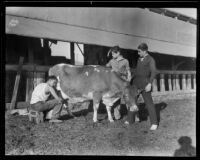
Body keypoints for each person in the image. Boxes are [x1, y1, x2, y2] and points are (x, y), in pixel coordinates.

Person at [126, 43, 158, 130]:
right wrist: (131, 78)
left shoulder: (151, 59)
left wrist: (150, 83)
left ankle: (154, 123)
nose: (138, 53)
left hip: (145, 84)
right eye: (138, 51)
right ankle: (130, 120)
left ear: (145, 51)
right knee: (132, 101)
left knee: (149, 103)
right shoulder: (139, 59)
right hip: (136, 83)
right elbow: (137, 71)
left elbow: (154, 72)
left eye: (139, 52)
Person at [106, 45, 131, 120]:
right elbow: (106, 67)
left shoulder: (125, 61)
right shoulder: (111, 61)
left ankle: (132, 115)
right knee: (116, 100)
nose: (112, 55)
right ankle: (117, 116)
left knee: (127, 99)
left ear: (118, 53)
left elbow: (128, 71)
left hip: (123, 82)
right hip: (114, 84)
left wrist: (128, 79)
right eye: (112, 54)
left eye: (113, 53)